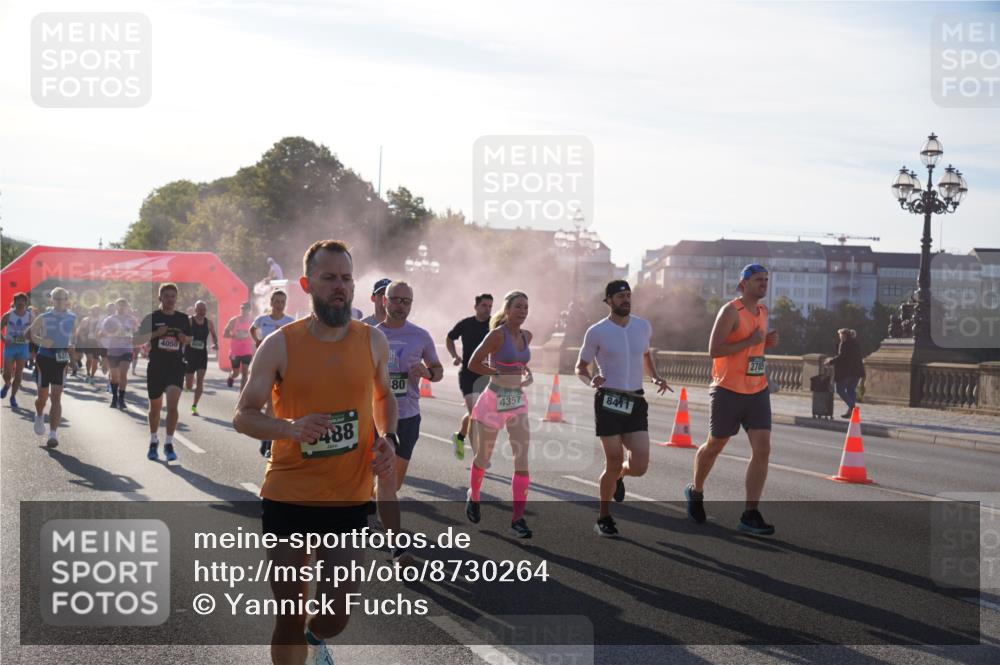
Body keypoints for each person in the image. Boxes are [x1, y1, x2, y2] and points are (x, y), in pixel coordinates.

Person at [232, 239, 401, 665]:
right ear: (308, 284)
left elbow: (384, 397)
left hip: (348, 497)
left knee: (335, 617)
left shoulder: (372, 342)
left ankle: (317, 637)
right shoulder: (280, 344)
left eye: (346, 278)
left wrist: (389, 438)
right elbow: (244, 416)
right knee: (288, 615)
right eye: (329, 278)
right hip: (289, 494)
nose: (339, 287)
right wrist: (288, 428)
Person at [686, 264, 779, 536]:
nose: (763, 284)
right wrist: (750, 341)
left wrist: (765, 343)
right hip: (727, 389)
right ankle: (696, 490)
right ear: (743, 284)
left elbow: (755, 347)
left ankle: (750, 513)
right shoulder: (730, 311)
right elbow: (714, 350)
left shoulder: (763, 311)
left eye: (766, 280)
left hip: (757, 389)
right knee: (715, 445)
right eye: (758, 280)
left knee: (763, 449)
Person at [576, 280, 671, 537]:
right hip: (608, 400)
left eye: (628, 295)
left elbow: (645, 355)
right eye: (620, 296)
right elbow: (581, 367)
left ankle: (618, 477)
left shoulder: (642, 326)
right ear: (608, 301)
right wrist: (590, 380)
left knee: (640, 465)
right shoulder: (596, 331)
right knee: (614, 460)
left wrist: (655, 377)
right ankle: (604, 516)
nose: (625, 300)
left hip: (636, 401)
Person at [464, 290, 535, 539]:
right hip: (494, 399)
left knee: (522, 457)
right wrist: (494, 372)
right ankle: (474, 495)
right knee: (483, 457)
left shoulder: (527, 336)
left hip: (516, 400)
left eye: (526, 307)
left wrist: (526, 373)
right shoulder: (496, 336)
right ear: (507, 310)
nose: (523, 311)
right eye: (518, 306)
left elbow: (519, 361)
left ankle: (518, 518)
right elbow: (473, 363)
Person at [376, 280, 443, 488]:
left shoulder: (421, 336)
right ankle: (371, 517)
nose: (401, 305)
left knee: (394, 484)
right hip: (375, 416)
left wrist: (428, 373)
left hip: (407, 417)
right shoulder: (370, 334)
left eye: (406, 301)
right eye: (396, 300)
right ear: (385, 301)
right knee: (373, 478)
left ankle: (375, 513)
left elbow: (438, 370)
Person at [134, 283, 192, 462]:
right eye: (166, 296)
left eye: (173, 296)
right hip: (157, 366)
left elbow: (189, 339)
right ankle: (153, 441)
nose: (170, 299)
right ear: (160, 298)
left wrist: (185, 339)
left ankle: (169, 443)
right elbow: (135, 340)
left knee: (173, 406)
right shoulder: (152, 317)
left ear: (176, 298)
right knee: (155, 408)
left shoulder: (183, 319)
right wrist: (155, 333)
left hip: (176, 366)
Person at [445, 293, 493, 460]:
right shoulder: (466, 324)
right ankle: (478, 457)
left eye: (490, 306)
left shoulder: (494, 325)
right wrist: (454, 356)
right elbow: (450, 338)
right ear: (476, 307)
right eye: (484, 306)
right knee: (476, 414)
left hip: (486, 376)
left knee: (478, 413)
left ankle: (459, 436)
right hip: (467, 375)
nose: (487, 309)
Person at [28, 287, 77, 448]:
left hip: (61, 359)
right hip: (45, 358)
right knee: (42, 397)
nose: (59, 301)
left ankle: (53, 434)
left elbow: (73, 338)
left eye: (62, 298)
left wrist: (72, 352)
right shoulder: (44, 317)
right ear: (52, 300)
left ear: (67, 300)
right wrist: (43, 342)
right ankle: (40, 414)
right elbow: (29, 334)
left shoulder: (72, 317)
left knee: (56, 396)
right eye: (56, 298)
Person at [250, 290, 295, 457]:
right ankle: (267, 442)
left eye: (283, 301)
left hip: (283, 367)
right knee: (270, 404)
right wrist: (258, 342)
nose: (280, 304)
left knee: (279, 405)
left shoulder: (289, 321)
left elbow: (297, 339)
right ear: (271, 302)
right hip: (265, 366)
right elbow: (252, 329)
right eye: (277, 301)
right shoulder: (263, 320)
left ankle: (270, 439)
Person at [102, 298, 140, 410]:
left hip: (126, 350)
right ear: (116, 307)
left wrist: (136, 339)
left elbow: (138, 332)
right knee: (114, 377)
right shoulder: (110, 319)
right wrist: (111, 333)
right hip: (113, 350)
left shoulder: (132, 319)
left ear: (127, 307)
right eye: (120, 305)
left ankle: (121, 399)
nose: (122, 307)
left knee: (123, 374)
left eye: (124, 305)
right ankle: (114, 397)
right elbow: (103, 333)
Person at [184, 300, 219, 416]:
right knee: (189, 385)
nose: (202, 312)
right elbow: (182, 334)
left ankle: (194, 406)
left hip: (201, 355)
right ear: (195, 310)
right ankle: (188, 381)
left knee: (200, 381)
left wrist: (215, 344)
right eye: (199, 309)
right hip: (190, 354)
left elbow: (214, 335)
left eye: (204, 310)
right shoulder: (189, 321)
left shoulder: (209, 323)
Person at [1, 292, 34, 409]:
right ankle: (7, 384)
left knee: (19, 373)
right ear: (14, 303)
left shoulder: (30, 316)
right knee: (6, 373)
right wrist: (4, 339)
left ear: (26, 303)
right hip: (10, 347)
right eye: (18, 301)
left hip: (23, 347)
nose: (20, 303)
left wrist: (31, 337)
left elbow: (34, 332)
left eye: (23, 301)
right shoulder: (8, 315)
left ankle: (13, 397)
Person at [826, 328, 865, 418]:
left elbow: (842, 357)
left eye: (840, 335)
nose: (839, 337)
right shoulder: (856, 343)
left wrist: (830, 361)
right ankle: (850, 412)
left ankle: (852, 407)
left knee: (839, 389)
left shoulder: (844, 344)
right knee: (851, 390)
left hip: (847, 372)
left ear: (844, 335)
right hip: (857, 372)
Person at [224, 302, 255, 390]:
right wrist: (234, 336)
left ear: (249, 310)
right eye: (242, 308)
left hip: (247, 351)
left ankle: (241, 396)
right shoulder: (234, 320)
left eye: (245, 309)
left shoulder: (252, 321)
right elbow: (225, 333)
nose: (243, 311)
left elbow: (257, 333)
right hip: (235, 351)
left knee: (245, 374)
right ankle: (231, 377)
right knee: (236, 373)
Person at [74, 305, 103, 384]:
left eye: (97, 310)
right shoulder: (86, 320)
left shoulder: (102, 320)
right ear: (90, 311)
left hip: (97, 343)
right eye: (93, 310)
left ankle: (92, 376)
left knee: (95, 361)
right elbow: (79, 330)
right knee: (89, 359)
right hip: (88, 341)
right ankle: (88, 373)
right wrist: (82, 337)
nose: (95, 312)